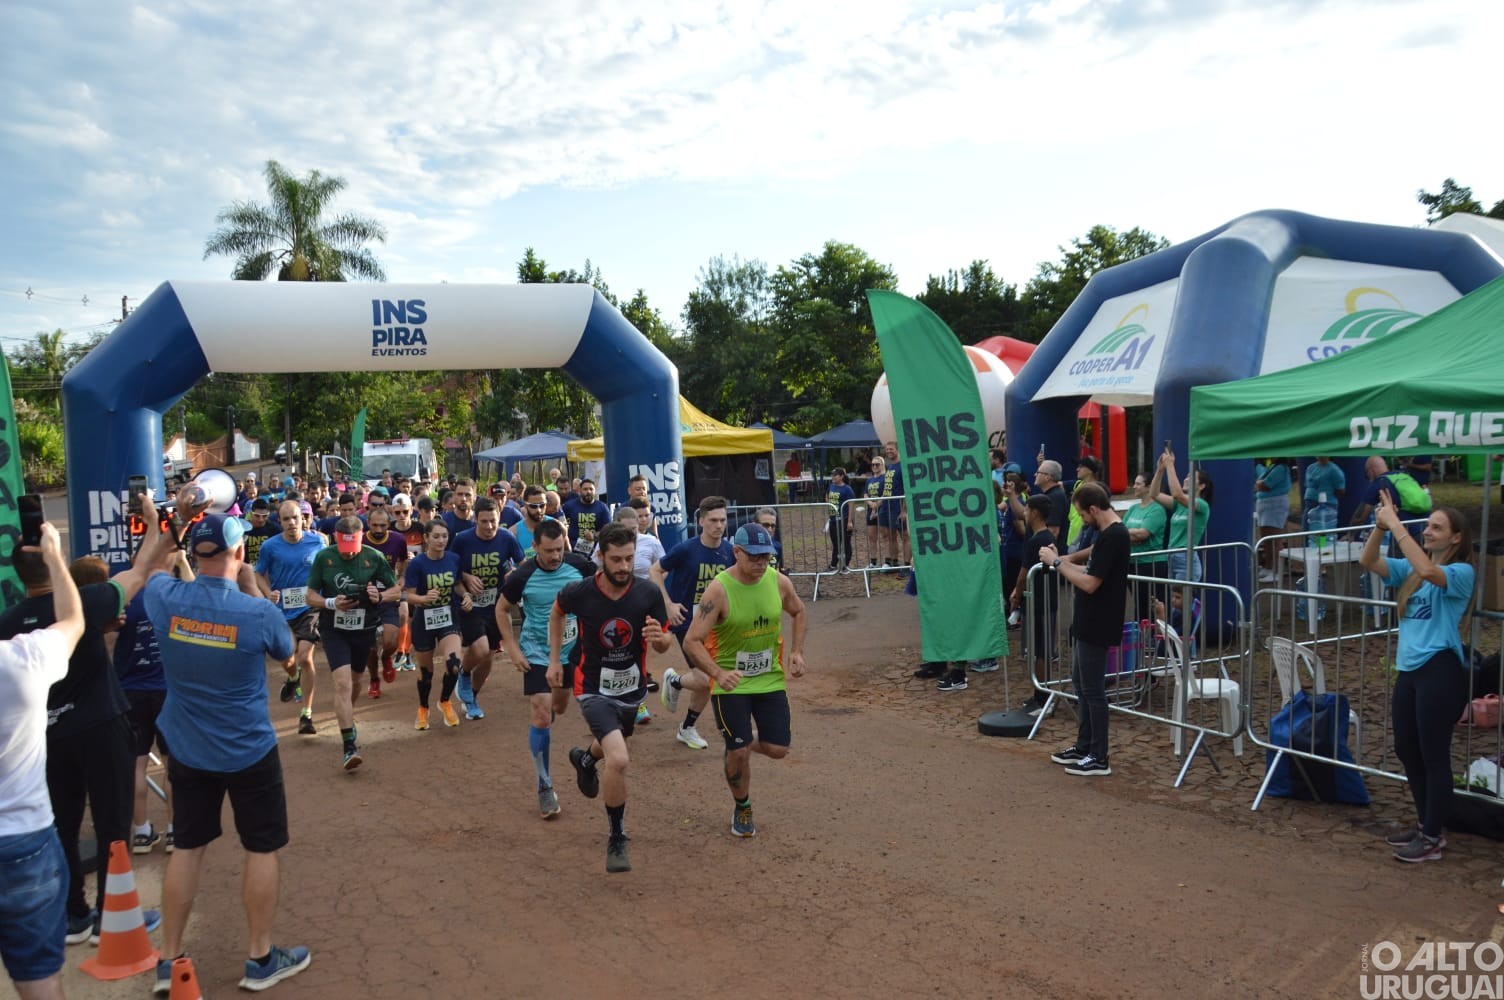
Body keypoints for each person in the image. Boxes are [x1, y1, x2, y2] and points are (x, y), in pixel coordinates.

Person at [143, 513, 311, 993]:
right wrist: (249, 586)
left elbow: (151, 568)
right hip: (249, 748)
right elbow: (287, 654)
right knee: (261, 847)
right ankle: (260, 958)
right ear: (240, 556)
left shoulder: (165, 598)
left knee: (187, 848)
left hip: (188, 748)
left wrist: (168, 534)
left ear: (195, 553)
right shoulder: (256, 613)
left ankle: (168, 959)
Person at [0, 498, 174, 949]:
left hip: (49, 737)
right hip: (103, 727)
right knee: (113, 823)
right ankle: (112, 918)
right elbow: (141, 569)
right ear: (55, 562)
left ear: (18, 575)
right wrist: (153, 522)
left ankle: (73, 914)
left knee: (64, 824)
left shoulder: (8, 625)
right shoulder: (89, 603)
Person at [1360, 495, 1474, 863]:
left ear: (1456, 538)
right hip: (1408, 671)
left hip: (1440, 669)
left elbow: (1429, 572)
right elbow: (1368, 560)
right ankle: (1426, 821)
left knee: (1434, 755)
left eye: (1436, 527)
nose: (1427, 530)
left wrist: (1396, 524)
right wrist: (1380, 527)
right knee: (1407, 749)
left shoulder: (1461, 572)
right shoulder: (1409, 571)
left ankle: (1432, 836)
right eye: (1426, 524)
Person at [0, 523, 87, 1000]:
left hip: (25, 844)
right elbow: (73, 622)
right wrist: (55, 557)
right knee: (39, 983)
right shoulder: (21, 660)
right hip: (24, 844)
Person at [554, 523, 671, 873]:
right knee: (618, 759)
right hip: (591, 687)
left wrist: (658, 639)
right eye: (616, 559)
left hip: (631, 690)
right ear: (601, 556)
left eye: (629, 559)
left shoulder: (648, 593)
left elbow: (665, 642)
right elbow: (557, 613)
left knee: (611, 744)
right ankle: (616, 837)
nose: (623, 567)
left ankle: (586, 760)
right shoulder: (581, 592)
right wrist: (553, 658)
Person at [681, 524, 807, 837]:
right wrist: (718, 674)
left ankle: (738, 738)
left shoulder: (779, 583)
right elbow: (691, 640)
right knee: (738, 753)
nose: (761, 562)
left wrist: (797, 652)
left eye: (766, 556)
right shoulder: (719, 590)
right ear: (736, 553)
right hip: (730, 685)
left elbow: (799, 610)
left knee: (778, 749)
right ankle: (743, 806)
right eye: (753, 556)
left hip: (769, 680)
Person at [498, 518, 597, 819]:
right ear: (535, 547)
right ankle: (545, 785)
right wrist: (512, 649)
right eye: (548, 551)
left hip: (571, 650)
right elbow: (501, 609)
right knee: (541, 713)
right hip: (537, 651)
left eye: (559, 549)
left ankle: (550, 710)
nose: (555, 556)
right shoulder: (522, 575)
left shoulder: (580, 566)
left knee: (559, 706)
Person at [1042, 483, 1129, 777]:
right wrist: (1062, 563)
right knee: (1081, 683)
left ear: (1093, 509)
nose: (1083, 520)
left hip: (1099, 621)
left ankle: (1099, 755)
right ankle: (1084, 746)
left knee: (1092, 688)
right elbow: (1090, 573)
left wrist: (1056, 562)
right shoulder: (1107, 535)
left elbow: (1091, 583)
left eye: (1082, 514)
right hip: (1088, 619)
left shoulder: (1115, 535)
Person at [306, 516, 399, 770]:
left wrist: (379, 595)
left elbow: (396, 590)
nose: (348, 556)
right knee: (343, 683)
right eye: (344, 551)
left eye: (353, 551)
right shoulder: (324, 558)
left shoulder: (374, 557)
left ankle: (347, 717)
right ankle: (349, 747)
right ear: (336, 539)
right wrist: (331, 602)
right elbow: (310, 595)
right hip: (334, 628)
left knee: (355, 682)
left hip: (364, 628)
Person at [651, 496, 734, 750]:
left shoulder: (730, 552)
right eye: (713, 521)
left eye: (722, 520)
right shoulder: (686, 549)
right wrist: (668, 604)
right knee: (709, 676)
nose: (718, 526)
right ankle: (674, 683)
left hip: (717, 624)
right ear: (701, 521)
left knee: (707, 678)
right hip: (687, 620)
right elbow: (655, 571)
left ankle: (686, 726)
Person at [255, 498, 325, 735]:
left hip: (309, 608)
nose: (292, 523)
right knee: (287, 657)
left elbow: (327, 567)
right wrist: (268, 593)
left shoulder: (318, 542)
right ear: (280, 522)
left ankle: (306, 714)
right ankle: (293, 677)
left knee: (305, 657)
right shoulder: (270, 546)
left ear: (303, 518)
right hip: (282, 611)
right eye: (286, 519)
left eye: (296, 517)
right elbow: (258, 575)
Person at [451, 496, 525, 720]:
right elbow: (450, 574)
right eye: (484, 521)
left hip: (497, 606)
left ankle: (471, 697)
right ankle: (464, 674)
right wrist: (466, 578)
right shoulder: (462, 541)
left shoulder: (506, 538)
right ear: (475, 519)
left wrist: (515, 576)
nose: (489, 526)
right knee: (480, 649)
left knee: (489, 657)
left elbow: (522, 565)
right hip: (469, 604)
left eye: (493, 521)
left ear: (499, 517)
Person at [404, 519, 474, 730]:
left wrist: (466, 596)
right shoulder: (417, 564)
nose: (441, 540)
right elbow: (409, 596)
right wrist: (424, 599)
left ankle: (445, 701)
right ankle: (423, 707)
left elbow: (457, 585)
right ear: (426, 538)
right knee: (426, 673)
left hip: (448, 617)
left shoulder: (453, 559)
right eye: (436, 536)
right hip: (423, 620)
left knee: (454, 665)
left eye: (444, 536)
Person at [1008, 495, 1059, 718]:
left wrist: (1016, 595)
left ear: (1035, 512)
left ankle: (1043, 696)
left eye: (1027, 510)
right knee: (1040, 647)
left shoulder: (1036, 540)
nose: (1025, 514)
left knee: (1039, 650)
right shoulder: (1046, 536)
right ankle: (1040, 693)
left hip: (1039, 600)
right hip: (1045, 599)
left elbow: (1023, 573)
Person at [1151, 450, 1212, 583]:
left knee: (1184, 601)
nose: (1185, 479)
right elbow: (1154, 494)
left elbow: (1177, 494)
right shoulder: (1179, 505)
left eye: (1191, 477)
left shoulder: (1202, 505)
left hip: (1186, 558)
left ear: (1202, 486)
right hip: (1172, 556)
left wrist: (1170, 465)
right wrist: (1160, 470)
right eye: (1186, 476)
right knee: (1176, 601)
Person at [1122, 470, 1169, 620]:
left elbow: (1143, 534)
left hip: (1151, 564)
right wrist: (1133, 534)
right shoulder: (1133, 508)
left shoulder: (1157, 509)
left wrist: (1132, 533)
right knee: (1139, 603)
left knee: (1152, 603)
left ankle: (1157, 637)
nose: (1134, 487)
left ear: (1149, 487)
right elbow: (1121, 531)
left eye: (1138, 484)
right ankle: (1142, 638)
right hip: (1132, 562)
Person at [1254, 457, 1292, 582]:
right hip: (1266, 504)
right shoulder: (1272, 467)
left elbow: (1265, 484)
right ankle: (1268, 567)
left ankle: (1276, 571)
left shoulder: (1281, 468)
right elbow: (1260, 483)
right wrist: (1259, 483)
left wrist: (1259, 483)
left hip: (1275, 505)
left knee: (1275, 539)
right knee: (1266, 539)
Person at [560, 478, 611, 553]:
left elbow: (608, 530)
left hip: (595, 548)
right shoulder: (569, 506)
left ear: (595, 490)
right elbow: (560, 524)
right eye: (585, 489)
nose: (588, 492)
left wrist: (595, 535)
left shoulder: (602, 507)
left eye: (591, 489)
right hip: (573, 547)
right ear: (580, 490)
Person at [1303, 456, 1346, 538]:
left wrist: (1327, 494)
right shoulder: (1310, 467)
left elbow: (1341, 490)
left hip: (1327, 504)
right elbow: (1307, 484)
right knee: (1308, 531)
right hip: (1309, 503)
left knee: (1323, 533)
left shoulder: (1334, 470)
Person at [1034, 459, 1070, 549]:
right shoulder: (1052, 495)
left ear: (1047, 477)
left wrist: (1046, 554)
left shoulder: (1055, 497)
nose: (1035, 475)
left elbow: (1053, 531)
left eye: (1038, 472)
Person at [824, 467, 855, 572]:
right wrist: (829, 505)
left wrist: (850, 521)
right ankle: (833, 565)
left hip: (845, 519)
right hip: (833, 520)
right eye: (832, 475)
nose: (833, 477)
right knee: (835, 544)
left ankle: (846, 565)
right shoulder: (831, 486)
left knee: (846, 543)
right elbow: (827, 495)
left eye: (835, 475)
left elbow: (851, 505)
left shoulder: (847, 489)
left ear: (841, 476)